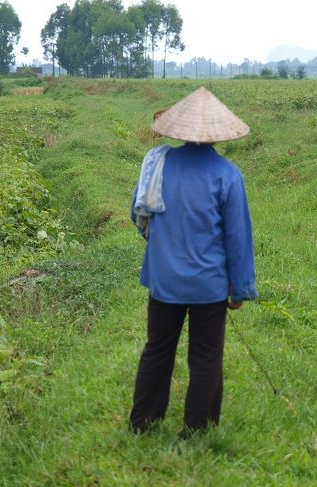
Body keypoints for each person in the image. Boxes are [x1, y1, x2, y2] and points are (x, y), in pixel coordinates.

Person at [129, 86, 258, 437]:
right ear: (217, 134)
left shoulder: (158, 164)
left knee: (157, 349)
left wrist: (165, 247)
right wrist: (240, 287)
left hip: (164, 280)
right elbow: (238, 237)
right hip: (209, 285)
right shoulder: (227, 174)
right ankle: (197, 430)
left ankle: (143, 423)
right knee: (205, 358)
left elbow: (137, 212)